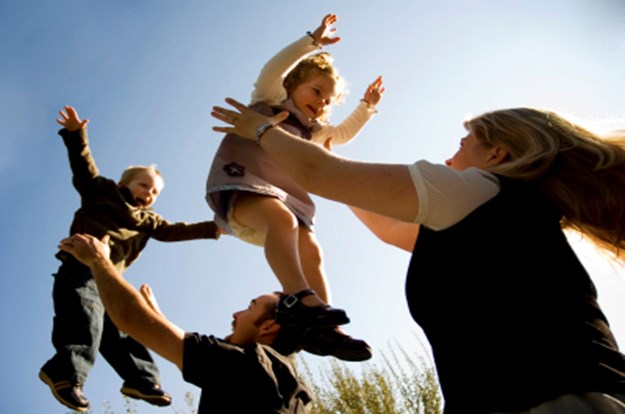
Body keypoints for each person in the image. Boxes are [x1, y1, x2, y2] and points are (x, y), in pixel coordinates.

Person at [210, 99, 625, 413]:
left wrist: (260, 129)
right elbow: (386, 226)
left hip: (562, 399)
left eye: (463, 144)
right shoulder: (490, 211)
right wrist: (335, 166)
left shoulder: (479, 189)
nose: (449, 156)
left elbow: (318, 174)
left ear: (496, 155)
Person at [205, 13, 384, 362]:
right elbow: (274, 68)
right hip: (243, 188)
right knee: (283, 222)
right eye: (315, 91)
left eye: (327, 100)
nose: (320, 102)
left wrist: (367, 108)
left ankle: (324, 329)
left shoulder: (314, 132)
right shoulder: (271, 98)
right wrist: (311, 43)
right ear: (292, 85)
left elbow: (343, 134)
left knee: (312, 250)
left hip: (282, 202)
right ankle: (299, 299)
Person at [39, 106, 222, 412]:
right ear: (125, 185)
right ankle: (66, 372)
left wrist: (217, 228)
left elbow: (177, 231)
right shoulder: (102, 193)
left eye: (155, 193)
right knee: (85, 321)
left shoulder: (149, 222)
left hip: (109, 279)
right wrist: (75, 135)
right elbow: (84, 167)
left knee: (124, 327)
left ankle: (141, 379)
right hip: (80, 270)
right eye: (144, 186)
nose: (149, 194)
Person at [58, 233, 312, 414]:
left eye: (250, 307)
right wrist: (157, 315)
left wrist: (98, 260)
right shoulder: (291, 386)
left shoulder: (246, 364)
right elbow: (176, 346)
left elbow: (130, 319)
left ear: (268, 327)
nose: (235, 314)